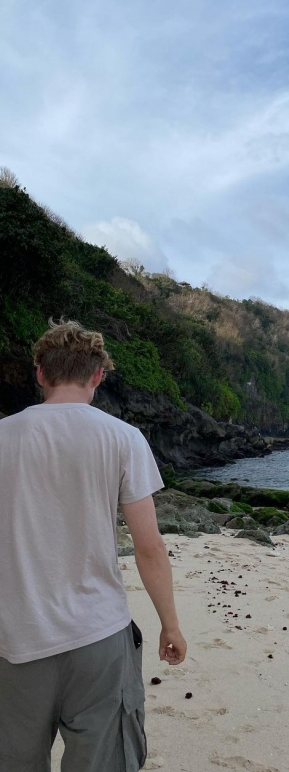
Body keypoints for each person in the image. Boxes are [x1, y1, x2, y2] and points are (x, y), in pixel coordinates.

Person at [0, 319, 187, 772]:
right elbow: (149, 547)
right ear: (98, 376)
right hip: (99, 635)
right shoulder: (122, 437)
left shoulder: (4, 435)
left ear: (40, 373)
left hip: (15, 638)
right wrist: (170, 625)